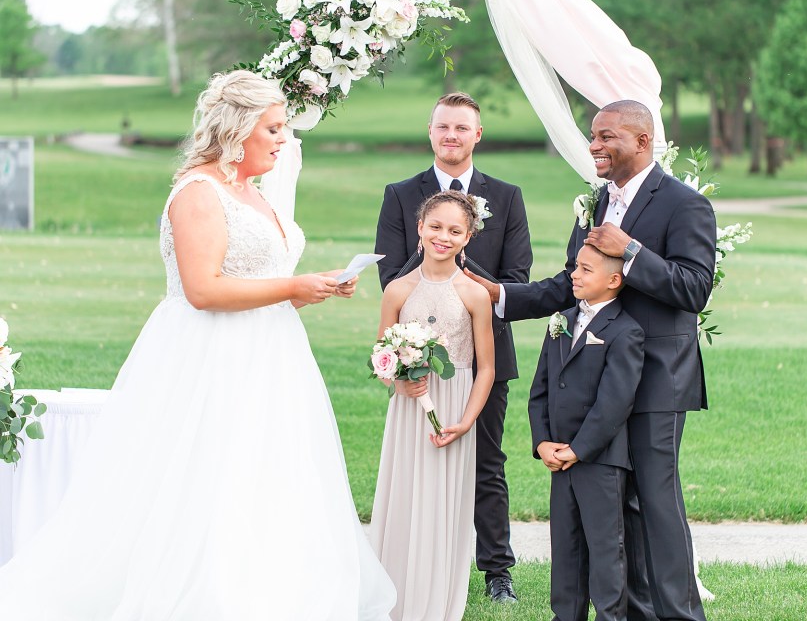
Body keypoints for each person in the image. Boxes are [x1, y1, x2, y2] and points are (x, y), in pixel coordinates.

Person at [0, 70, 396, 620]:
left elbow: (259, 283)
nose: (283, 139)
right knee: (209, 478)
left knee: (266, 478)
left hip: (272, 358)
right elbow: (203, 290)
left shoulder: (252, 191)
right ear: (237, 128)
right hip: (210, 359)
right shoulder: (198, 193)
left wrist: (314, 286)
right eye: (273, 128)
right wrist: (292, 286)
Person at [467, 99, 716, 621]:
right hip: (596, 380)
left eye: (606, 136)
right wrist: (501, 296)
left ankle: (680, 614)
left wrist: (631, 251)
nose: (593, 145)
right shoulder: (595, 202)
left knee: (655, 501)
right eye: (593, 135)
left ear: (642, 142)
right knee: (615, 505)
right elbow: (572, 283)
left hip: (657, 380)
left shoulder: (684, 203)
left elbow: (694, 289)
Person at [374, 92, 532, 602]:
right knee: (415, 463)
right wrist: (413, 347)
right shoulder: (401, 195)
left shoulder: (506, 196)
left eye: (462, 128)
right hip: (416, 355)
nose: (451, 135)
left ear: (477, 135)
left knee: (486, 462)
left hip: (481, 357)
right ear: (430, 131)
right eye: (443, 126)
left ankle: (496, 570)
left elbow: (516, 278)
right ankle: (410, 565)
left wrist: (462, 276)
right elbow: (390, 275)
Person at [369, 190, 495, 620]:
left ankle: (435, 598)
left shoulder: (474, 294)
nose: (444, 236)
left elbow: (486, 369)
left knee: (443, 503)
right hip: (409, 410)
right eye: (436, 227)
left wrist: (466, 421)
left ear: (468, 237)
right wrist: (398, 382)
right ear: (420, 228)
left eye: (455, 231)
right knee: (405, 495)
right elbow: (381, 358)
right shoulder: (397, 289)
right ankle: (394, 594)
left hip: (455, 406)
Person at [528, 243, 644, 621]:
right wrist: (542, 442)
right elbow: (541, 389)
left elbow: (615, 402)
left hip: (600, 460)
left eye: (585, 270)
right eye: (576, 266)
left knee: (605, 547)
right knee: (565, 546)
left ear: (614, 280)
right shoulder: (560, 321)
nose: (574, 275)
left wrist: (579, 449)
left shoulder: (626, 331)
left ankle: (610, 616)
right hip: (559, 457)